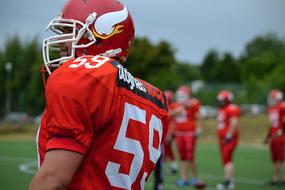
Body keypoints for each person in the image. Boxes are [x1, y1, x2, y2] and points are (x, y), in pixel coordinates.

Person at [28, 0, 170, 189]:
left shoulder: (83, 77)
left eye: (69, 32)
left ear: (102, 35)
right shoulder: (155, 99)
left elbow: (54, 180)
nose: (61, 42)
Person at [171, 85, 205, 188]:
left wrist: (199, 128)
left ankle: (195, 178)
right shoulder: (175, 105)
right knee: (182, 157)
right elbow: (170, 114)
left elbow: (198, 115)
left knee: (190, 157)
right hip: (179, 133)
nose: (180, 97)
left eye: (182, 95)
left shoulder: (193, 103)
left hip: (189, 133)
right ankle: (184, 178)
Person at [216, 90, 240, 190]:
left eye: (223, 100)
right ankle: (230, 181)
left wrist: (229, 135)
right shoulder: (223, 109)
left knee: (226, 158)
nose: (221, 102)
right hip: (224, 137)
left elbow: (234, 123)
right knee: (227, 159)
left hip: (228, 137)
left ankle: (228, 181)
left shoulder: (231, 108)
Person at [265, 89, 285, 186]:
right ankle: (275, 178)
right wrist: (268, 136)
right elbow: (271, 124)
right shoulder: (271, 109)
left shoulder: (282, 106)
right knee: (275, 158)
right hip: (274, 136)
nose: (271, 100)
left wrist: (282, 130)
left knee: (283, 158)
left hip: (281, 136)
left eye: (273, 98)